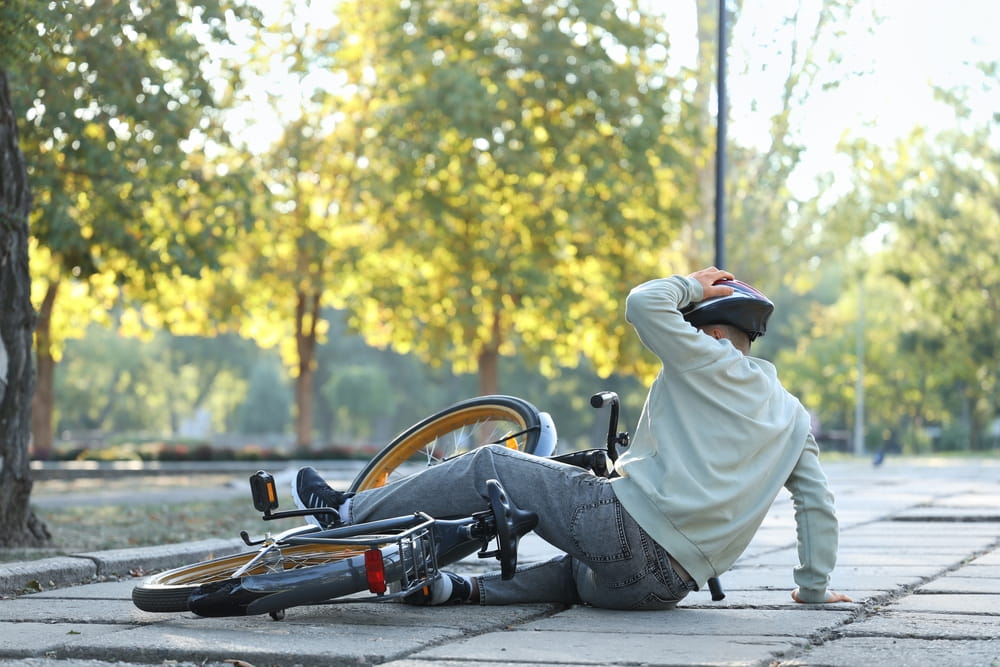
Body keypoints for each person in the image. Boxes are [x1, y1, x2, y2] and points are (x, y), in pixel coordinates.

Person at [293, 266, 851, 608]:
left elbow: (642, 303)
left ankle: (345, 515)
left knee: (492, 464)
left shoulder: (706, 357)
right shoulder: (795, 418)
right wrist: (813, 588)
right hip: (664, 587)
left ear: (708, 330)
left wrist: (690, 283)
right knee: (577, 575)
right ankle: (459, 591)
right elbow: (817, 506)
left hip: (627, 530)